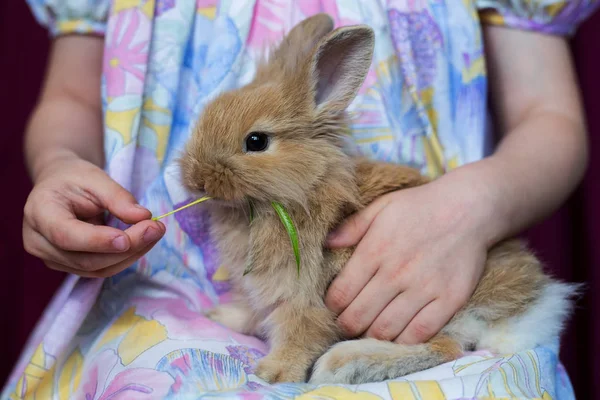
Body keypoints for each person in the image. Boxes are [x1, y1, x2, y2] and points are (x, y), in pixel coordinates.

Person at [5, 0, 597, 398]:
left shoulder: (312, 206)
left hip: (439, 266)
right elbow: (71, 97)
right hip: (162, 294)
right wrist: (60, 164)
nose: (201, 174)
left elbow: (551, 116)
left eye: (255, 144)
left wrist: (473, 206)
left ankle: (430, 345)